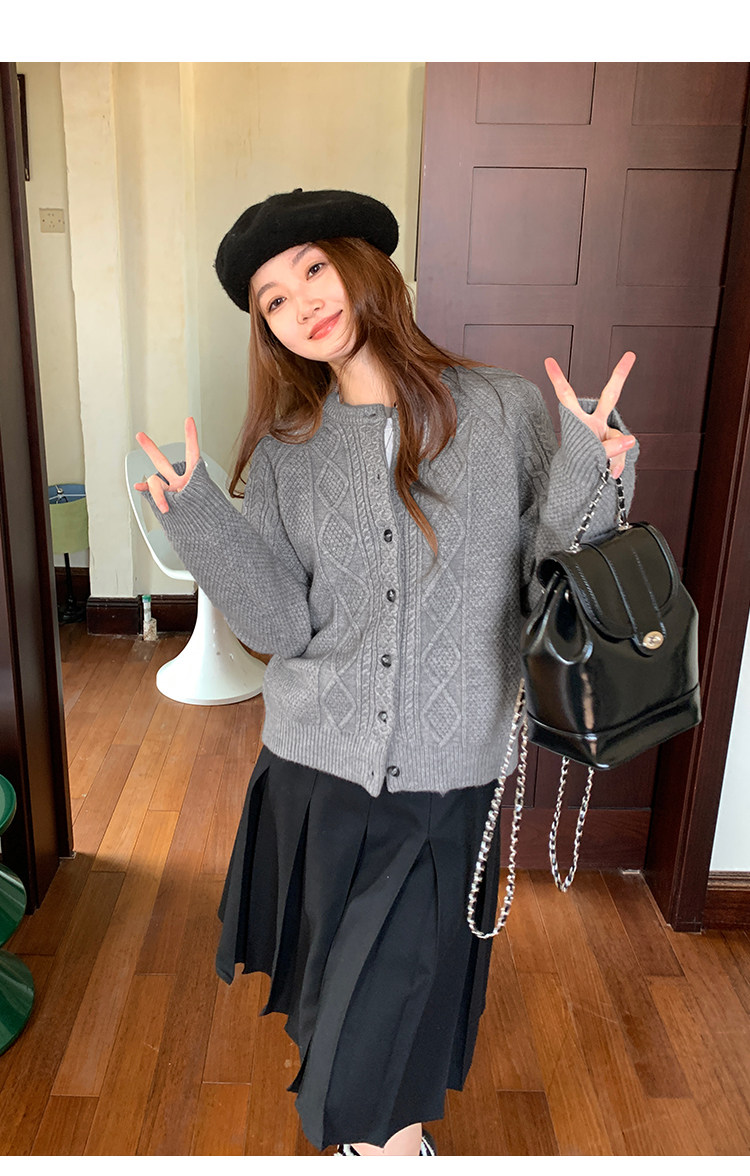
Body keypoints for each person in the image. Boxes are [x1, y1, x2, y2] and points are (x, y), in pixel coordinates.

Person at [134, 188, 639, 1157]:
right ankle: (381, 1144)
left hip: (451, 769)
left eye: (312, 271)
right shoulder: (288, 447)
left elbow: (552, 587)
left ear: (364, 266)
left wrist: (598, 472)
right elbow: (280, 626)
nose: (302, 306)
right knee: (337, 972)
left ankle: (382, 1149)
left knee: (402, 981)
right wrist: (199, 519)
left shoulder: (499, 410)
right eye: (274, 301)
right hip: (314, 767)